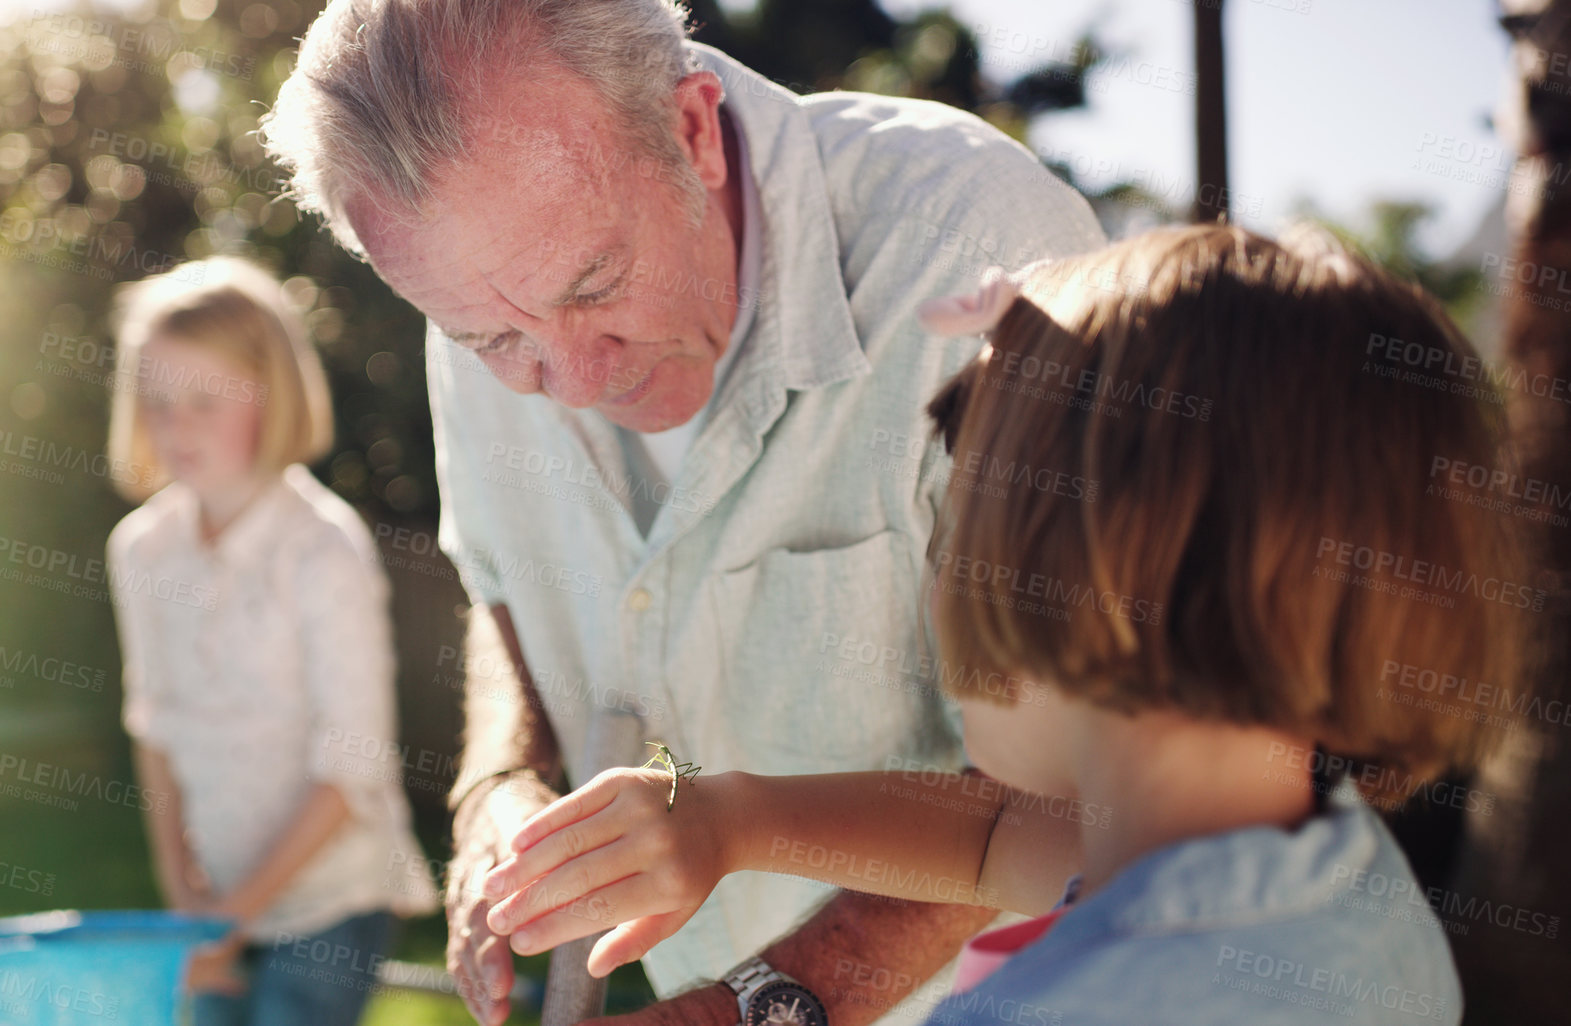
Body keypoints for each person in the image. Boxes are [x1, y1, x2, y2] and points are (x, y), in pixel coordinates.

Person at [262, 3, 1105, 1022]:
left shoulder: (989, 261)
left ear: (694, 131)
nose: (567, 382)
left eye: (599, 285)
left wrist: (752, 1009)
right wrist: (495, 782)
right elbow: (501, 579)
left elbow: (1071, 796)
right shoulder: (481, 287)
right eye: (493, 341)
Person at [479, 224, 1539, 1025]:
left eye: (970, 508)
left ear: (1092, 561)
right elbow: (997, 840)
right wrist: (730, 819)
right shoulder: (1312, 863)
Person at [103, 257, 437, 1026]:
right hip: (212, 898)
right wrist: (186, 896)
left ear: (271, 394)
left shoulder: (321, 550)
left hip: (332, 900)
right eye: (156, 400)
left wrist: (232, 919)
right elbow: (152, 721)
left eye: (204, 401)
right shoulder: (142, 550)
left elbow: (351, 765)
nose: (176, 425)